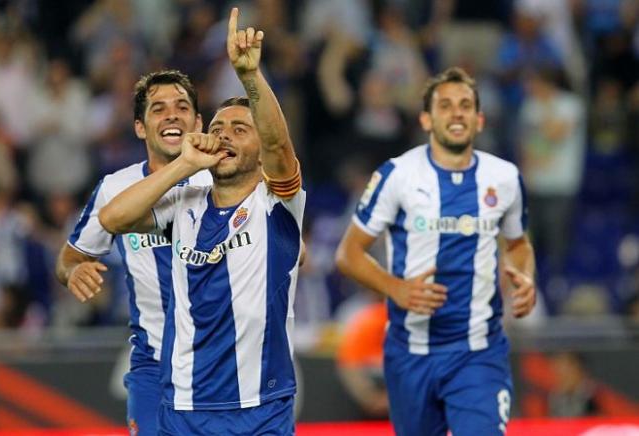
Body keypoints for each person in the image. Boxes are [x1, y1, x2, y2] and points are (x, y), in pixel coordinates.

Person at [99, 8, 304, 435]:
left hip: (261, 406)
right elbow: (112, 218)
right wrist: (184, 164)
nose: (225, 134)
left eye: (239, 129)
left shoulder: (276, 205)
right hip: (185, 408)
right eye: (218, 127)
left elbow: (281, 149)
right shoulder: (183, 204)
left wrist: (249, 77)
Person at [334, 66, 536, 435]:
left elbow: (519, 244)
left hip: (479, 351)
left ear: (479, 119)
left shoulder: (505, 178)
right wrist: (396, 288)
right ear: (427, 119)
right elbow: (348, 254)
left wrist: (524, 276)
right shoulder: (397, 175)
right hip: (410, 353)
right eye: (445, 105)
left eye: (465, 105)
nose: (456, 113)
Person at [55, 69, 212, 435]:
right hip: (154, 365)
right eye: (158, 109)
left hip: (221, 364)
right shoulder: (115, 189)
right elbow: (69, 258)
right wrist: (73, 271)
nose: (172, 114)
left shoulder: (224, 179)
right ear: (140, 127)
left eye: (182, 106)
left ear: (199, 122)